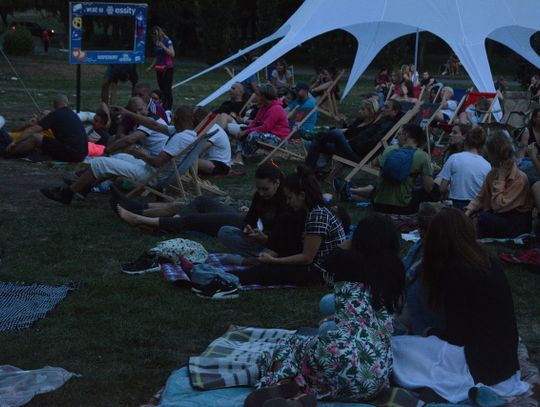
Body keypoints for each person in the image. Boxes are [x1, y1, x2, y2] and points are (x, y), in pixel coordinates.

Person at [248, 214, 405, 404]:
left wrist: (347, 243)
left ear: (359, 239)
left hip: (340, 350)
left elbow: (326, 262)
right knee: (334, 376)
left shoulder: (348, 262)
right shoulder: (396, 271)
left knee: (290, 346)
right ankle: (303, 393)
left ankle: (278, 384)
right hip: (378, 371)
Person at [392, 208, 529, 403]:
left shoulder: (456, 271)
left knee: (400, 350)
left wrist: (430, 333)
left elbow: (458, 335)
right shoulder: (486, 260)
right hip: (505, 360)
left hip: (479, 364)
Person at [40, 106, 196, 205]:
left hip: (153, 174)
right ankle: (83, 187)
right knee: (117, 158)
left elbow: (156, 162)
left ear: (176, 118)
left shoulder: (180, 138)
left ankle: (67, 194)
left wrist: (141, 154)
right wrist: (128, 113)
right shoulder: (188, 134)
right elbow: (154, 124)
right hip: (160, 173)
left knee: (101, 163)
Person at [229, 165, 345, 286]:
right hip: (317, 267)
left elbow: (307, 258)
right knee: (267, 268)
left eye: (289, 197)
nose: (288, 202)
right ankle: (231, 275)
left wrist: (275, 261)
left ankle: (227, 277)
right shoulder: (315, 211)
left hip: (321, 273)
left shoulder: (317, 215)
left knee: (266, 272)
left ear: (302, 195)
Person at [113, 163, 287, 240]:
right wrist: (249, 223)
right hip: (243, 221)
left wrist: (253, 229)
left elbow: (278, 234)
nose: (261, 192)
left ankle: (138, 218)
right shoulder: (260, 196)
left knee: (191, 220)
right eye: (259, 188)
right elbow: (250, 218)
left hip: (244, 229)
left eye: (266, 189)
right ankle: (139, 209)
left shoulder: (285, 202)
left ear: (277, 183)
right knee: (201, 201)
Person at [345, 124, 436, 214]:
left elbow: (373, 164)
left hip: (378, 205)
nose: (396, 137)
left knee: (379, 186)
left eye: (399, 134)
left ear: (406, 136)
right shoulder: (423, 156)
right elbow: (428, 188)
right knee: (429, 191)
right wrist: (430, 171)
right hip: (402, 207)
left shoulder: (389, 149)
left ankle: (351, 194)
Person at [465, 132, 533, 238]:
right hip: (498, 215)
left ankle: (469, 241)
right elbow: (480, 198)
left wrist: (501, 178)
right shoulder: (492, 174)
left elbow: (499, 206)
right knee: (470, 215)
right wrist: (467, 212)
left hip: (515, 221)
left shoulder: (520, 178)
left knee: (481, 218)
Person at [305, 99, 399, 172]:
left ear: (395, 111)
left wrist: (350, 143)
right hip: (351, 148)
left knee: (337, 134)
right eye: (383, 106)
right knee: (317, 143)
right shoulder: (381, 121)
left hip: (357, 155)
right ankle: (308, 171)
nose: (383, 109)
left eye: (387, 107)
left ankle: (315, 136)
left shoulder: (388, 126)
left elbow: (371, 143)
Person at [5, 94, 87, 162]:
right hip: (82, 153)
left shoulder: (55, 115)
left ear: (54, 105)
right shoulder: (72, 114)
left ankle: (8, 153)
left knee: (35, 137)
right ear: (67, 103)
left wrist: (15, 142)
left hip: (72, 153)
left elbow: (32, 130)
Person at [232, 84, 290, 165]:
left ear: (263, 96)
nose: (255, 96)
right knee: (243, 129)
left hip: (279, 138)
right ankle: (239, 157)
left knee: (252, 134)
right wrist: (246, 129)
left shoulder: (276, 109)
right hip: (268, 134)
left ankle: (243, 156)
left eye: (257, 94)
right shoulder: (264, 107)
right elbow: (255, 122)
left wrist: (247, 131)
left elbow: (265, 128)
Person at [437, 127, 491, 209]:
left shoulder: (454, 158)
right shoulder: (487, 165)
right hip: (476, 207)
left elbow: (442, 188)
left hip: (456, 205)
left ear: (465, 141)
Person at [146, 26, 175, 110]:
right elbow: (157, 57)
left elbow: (172, 54)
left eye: (156, 33)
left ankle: (168, 109)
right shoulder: (156, 42)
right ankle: (163, 106)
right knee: (162, 89)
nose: (155, 35)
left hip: (168, 68)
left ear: (160, 32)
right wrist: (151, 67)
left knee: (167, 89)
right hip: (159, 68)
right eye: (153, 34)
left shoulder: (167, 41)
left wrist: (163, 47)